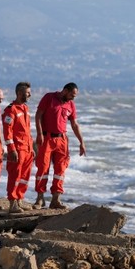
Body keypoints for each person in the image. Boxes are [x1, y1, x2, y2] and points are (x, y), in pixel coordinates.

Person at [33, 82, 86, 210]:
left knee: (60, 170)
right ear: (65, 90)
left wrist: (81, 142)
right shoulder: (49, 98)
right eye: (72, 94)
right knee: (43, 168)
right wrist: (39, 134)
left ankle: (56, 199)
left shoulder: (71, 105)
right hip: (47, 138)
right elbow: (38, 115)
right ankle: (40, 199)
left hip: (62, 140)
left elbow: (74, 124)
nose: (73, 97)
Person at [2, 82, 34, 213]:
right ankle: (12, 203)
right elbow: (7, 132)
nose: (30, 95)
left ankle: (20, 199)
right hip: (17, 149)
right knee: (15, 175)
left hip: (27, 148)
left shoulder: (25, 108)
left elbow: (27, 131)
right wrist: (12, 149)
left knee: (25, 176)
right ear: (20, 93)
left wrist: (32, 148)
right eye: (27, 93)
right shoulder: (11, 110)